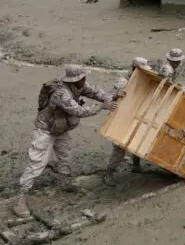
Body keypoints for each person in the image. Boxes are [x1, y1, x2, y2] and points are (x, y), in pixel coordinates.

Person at [14, 65, 116, 217]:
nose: (85, 80)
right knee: (37, 164)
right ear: (75, 80)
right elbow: (78, 111)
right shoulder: (61, 93)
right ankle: (20, 199)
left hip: (60, 129)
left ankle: (65, 184)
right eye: (82, 78)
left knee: (65, 157)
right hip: (45, 130)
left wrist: (107, 98)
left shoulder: (80, 85)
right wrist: (102, 106)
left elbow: (94, 92)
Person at [104, 58, 151, 186]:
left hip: (136, 114)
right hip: (121, 116)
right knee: (120, 145)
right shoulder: (123, 81)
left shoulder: (143, 78)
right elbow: (107, 97)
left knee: (136, 139)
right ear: (134, 69)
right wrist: (117, 95)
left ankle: (136, 166)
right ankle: (109, 173)